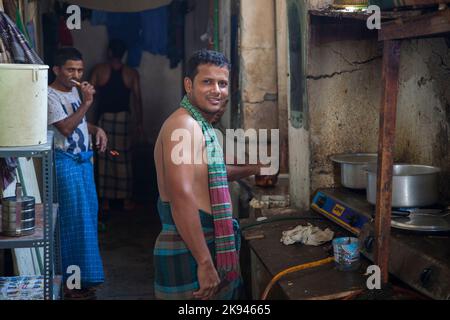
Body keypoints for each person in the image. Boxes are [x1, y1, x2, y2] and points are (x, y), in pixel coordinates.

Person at [153, 50, 262, 300]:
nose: (217, 90)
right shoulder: (184, 125)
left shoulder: (200, 124)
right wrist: (204, 262)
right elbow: (181, 196)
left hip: (202, 240)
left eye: (222, 83)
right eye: (207, 82)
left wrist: (254, 168)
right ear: (189, 84)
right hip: (190, 246)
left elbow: (208, 172)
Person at [47, 47, 107, 299]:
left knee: (87, 220)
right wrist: (87, 103)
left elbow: (80, 123)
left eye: (80, 70)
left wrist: (96, 129)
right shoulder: (49, 96)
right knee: (71, 223)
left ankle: (83, 279)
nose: (76, 74)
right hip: (65, 163)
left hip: (83, 163)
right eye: (70, 69)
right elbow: (66, 128)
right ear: (57, 70)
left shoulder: (73, 91)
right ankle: (70, 285)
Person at [90, 39, 144, 212]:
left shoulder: (99, 70)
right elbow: (137, 99)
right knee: (122, 158)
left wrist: (87, 122)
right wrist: (140, 123)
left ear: (109, 52)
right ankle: (126, 200)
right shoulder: (131, 73)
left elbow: (89, 96)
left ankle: (105, 200)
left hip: (104, 120)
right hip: (123, 119)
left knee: (106, 156)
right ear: (124, 54)